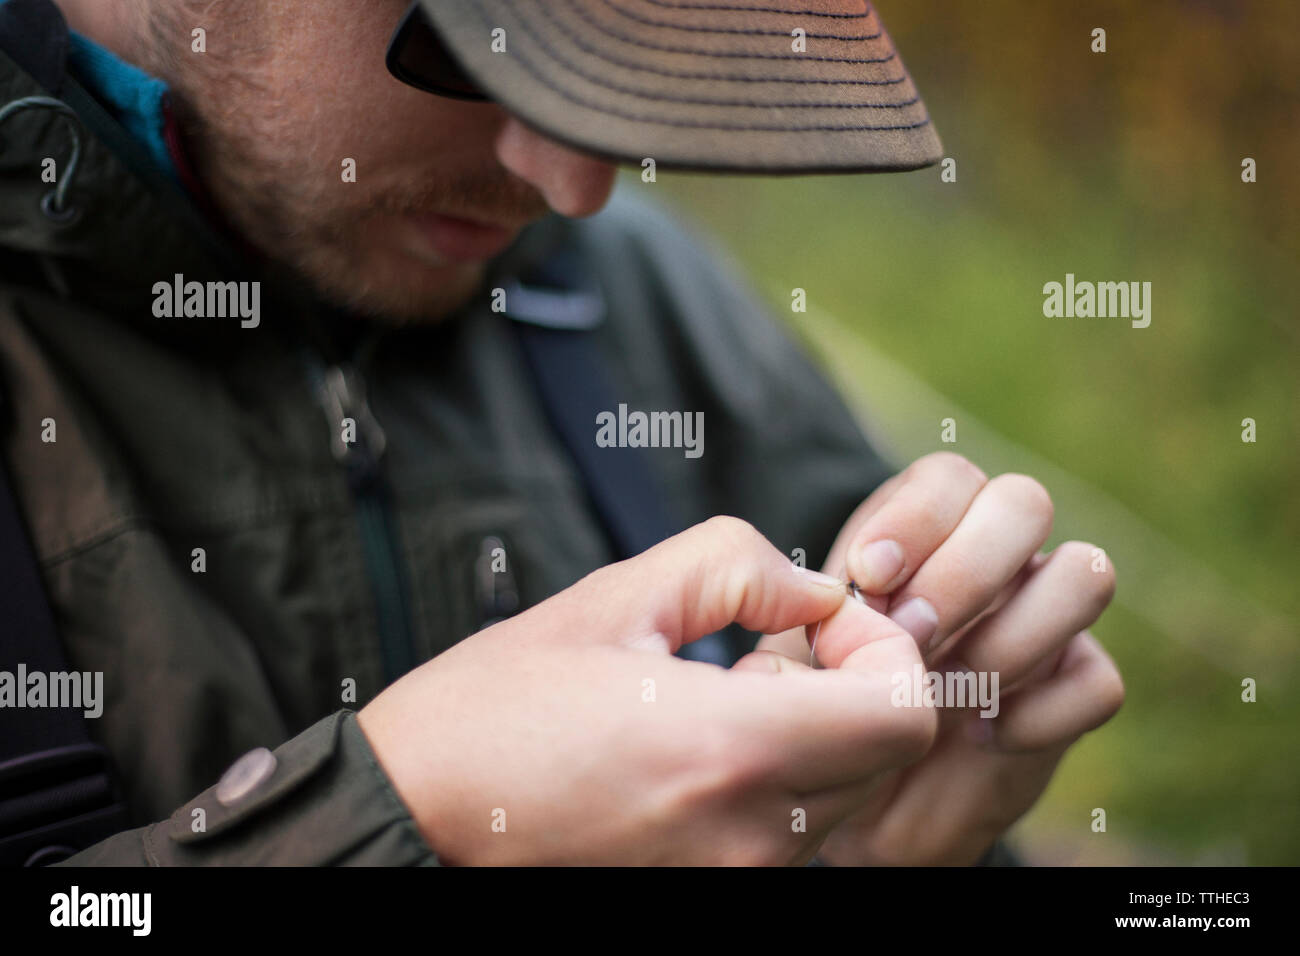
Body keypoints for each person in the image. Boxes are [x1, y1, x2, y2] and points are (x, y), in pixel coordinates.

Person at [0, 0, 1123, 866]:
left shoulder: (634, 292)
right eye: (485, 38)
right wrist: (411, 817)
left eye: (616, 50)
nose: (575, 183)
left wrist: (866, 848)